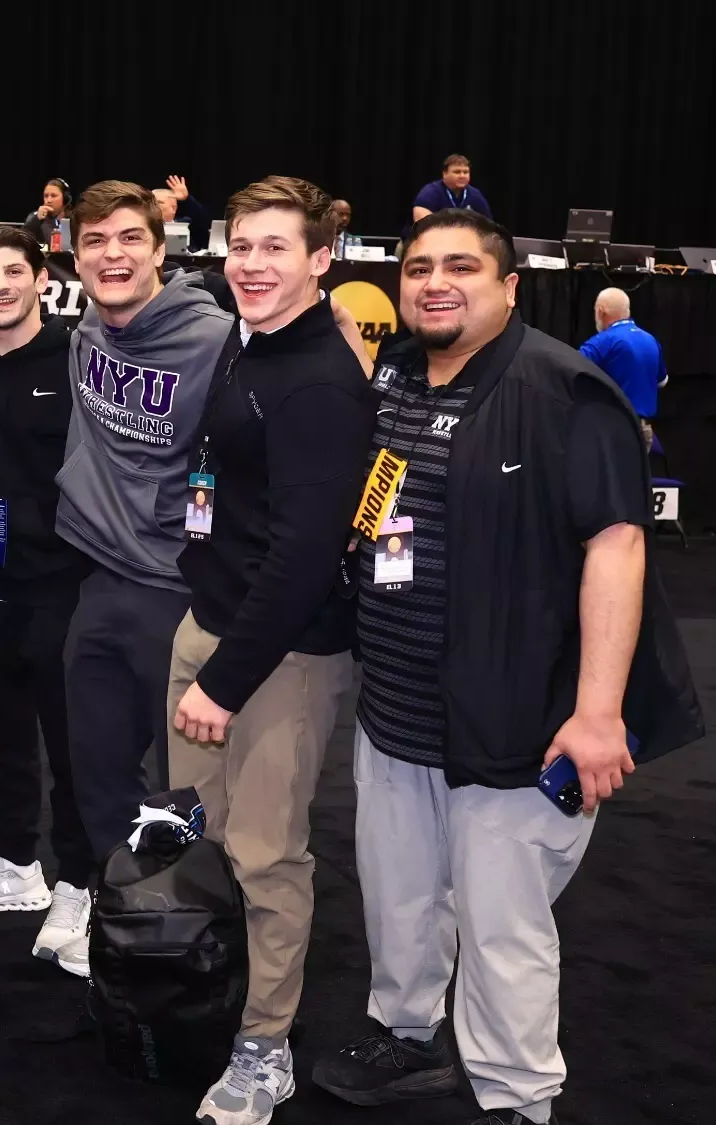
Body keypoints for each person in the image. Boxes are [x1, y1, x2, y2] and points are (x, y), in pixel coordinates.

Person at [312, 210, 700, 1125]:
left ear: (509, 286)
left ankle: (518, 1096)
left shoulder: (566, 388)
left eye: (460, 268)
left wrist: (598, 712)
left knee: (501, 924)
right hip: (399, 710)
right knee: (399, 893)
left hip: (522, 720)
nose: (435, 283)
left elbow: (617, 546)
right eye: (418, 268)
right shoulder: (399, 374)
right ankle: (404, 1034)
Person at [164, 177, 374, 1125]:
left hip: (277, 655)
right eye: (241, 246)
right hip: (213, 625)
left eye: (275, 248)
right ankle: (214, 994)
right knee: (204, 832)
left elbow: (303, 557)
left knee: (265, 854)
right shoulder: (249, 343)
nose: (251, 265)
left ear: (321, 259)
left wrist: (224, 678)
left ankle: (264, 1046)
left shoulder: (323, 380)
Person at [52, 180, 231, 978]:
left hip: (178, 589)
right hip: (97, 579)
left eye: (130, 239)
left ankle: (190, 927)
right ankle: (121, 907)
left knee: (183, 785)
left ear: (162, 249)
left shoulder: (218, 341)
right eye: (95, 242)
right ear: (74, 253)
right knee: (95, 765)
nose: (112, 255)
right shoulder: (89, 325)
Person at [0, 226, 95, 957]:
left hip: (65, 580)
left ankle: (80, 882)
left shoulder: (78, 357)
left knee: (72, 743)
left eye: (12, 272)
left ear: (41, 279)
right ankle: (15, 862)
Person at [580, 286, 667, 447]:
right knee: (635, 473)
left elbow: (573, 375)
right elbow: (662, 381)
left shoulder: (600, 343)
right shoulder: (651, 340)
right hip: (642, 429)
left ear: (600, 311)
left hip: (609, 428)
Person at [402, 154, 492, 249]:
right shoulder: (430, 192)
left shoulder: (475, 194)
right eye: (457, 172)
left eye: (465, 172)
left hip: (462, 246)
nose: (462, 176)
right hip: (420, 245)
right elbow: (422, 225)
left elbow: (488, 225)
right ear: (444, 174)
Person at [155, 174, 212, 251]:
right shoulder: (143, 226)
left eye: (158, 202)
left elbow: (203, 219)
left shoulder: (186, 225)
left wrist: (187, 199)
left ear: (173, 208)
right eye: (150, 202)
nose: (153, 206)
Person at [21, 177, 71, 251]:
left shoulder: (74, 218)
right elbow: (21, 239)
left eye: (53, 196)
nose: (49, 200)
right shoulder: (36, 217)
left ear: (65, 198)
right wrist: (37, 219)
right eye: (46, 196)